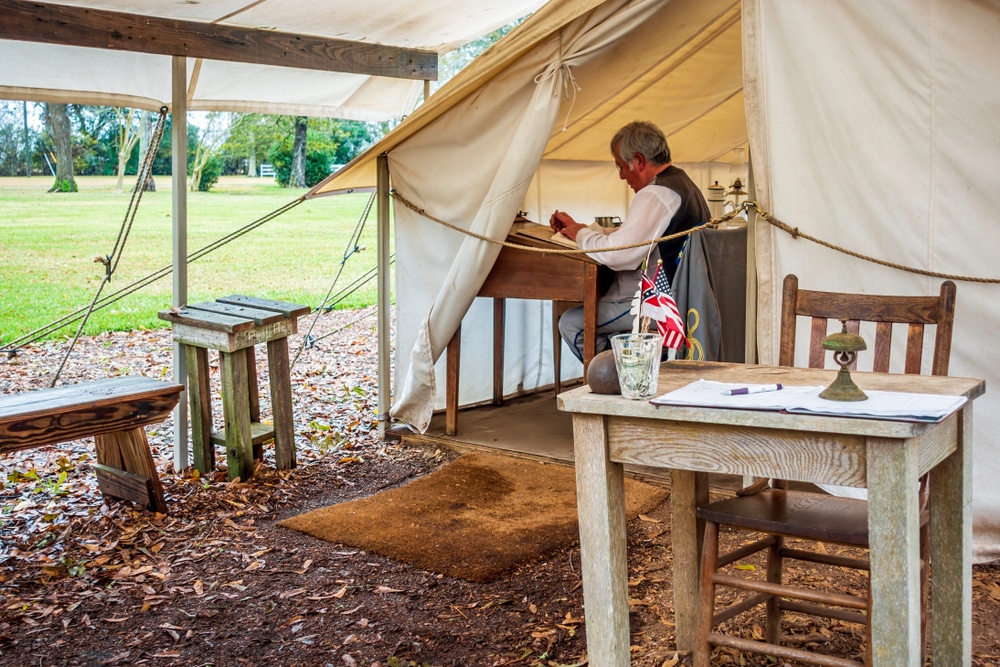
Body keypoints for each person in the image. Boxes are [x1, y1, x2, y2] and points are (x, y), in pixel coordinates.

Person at [550, 120, 710, 361]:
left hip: (656, 299)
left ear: (638, 160)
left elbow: (619, 255)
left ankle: (621, 378)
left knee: (572, 323)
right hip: (682, 294)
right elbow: (632, 238)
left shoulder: (656, 194)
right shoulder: (681, 183)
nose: (623, 175)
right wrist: (581, 229)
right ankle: (629, 369)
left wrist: (580, 235)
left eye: (621, 166)